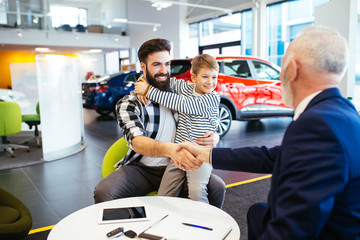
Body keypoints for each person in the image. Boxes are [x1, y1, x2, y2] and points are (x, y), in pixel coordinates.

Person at [175, 25, 360, 239]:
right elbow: (275, 157)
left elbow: (293, 229)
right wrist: (206, 154)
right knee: (257, 212)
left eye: (281, 67)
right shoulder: (345, 111)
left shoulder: (316, 126)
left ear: (293, 69)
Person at [94, 38, 226, 209]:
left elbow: (203, 116)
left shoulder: (179, 92)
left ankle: (208, 229)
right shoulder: (130, 103)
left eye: (167, 64)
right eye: (156, 64)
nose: (164, 70)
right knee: (104, 191)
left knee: (217, 187)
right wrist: (172, 150)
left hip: (184, 162)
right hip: (143, 168)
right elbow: (138, 142)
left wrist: (215, 135)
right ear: (143, 66)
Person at [134, 53, 220, 204]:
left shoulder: (212, 98)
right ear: (193, 78)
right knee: (164, 195)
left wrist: (148, 90)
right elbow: (166, 81)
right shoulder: (186, 88)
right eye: (205, 77)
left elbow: (181, 103)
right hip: (178, 152)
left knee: (196, 192)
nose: (210, 82)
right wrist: (143, 80)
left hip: (200, 155)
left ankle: (205, 222)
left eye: (214, 77)